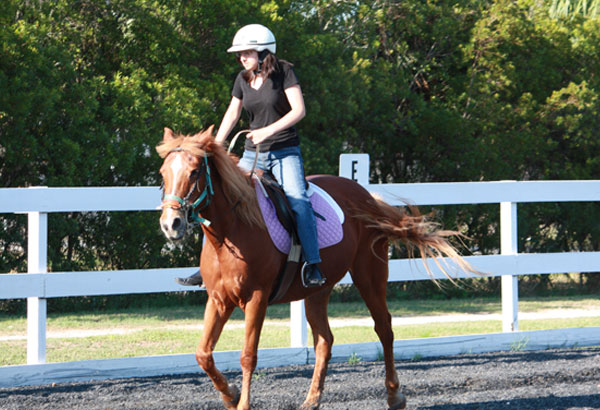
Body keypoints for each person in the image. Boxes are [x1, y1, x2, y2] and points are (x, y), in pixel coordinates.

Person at [177, 24, 325, 288]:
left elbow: (299, 111)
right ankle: (205, 267)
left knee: (298, 201)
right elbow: (232, 113)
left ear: (264, 52)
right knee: (218, 197)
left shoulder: (284, 72)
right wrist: (214, 146)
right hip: (252, 154)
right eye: (239, 54)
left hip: (284, 153)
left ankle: (312, 264)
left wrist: (267, 131)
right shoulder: (242, 79)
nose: (241, 58)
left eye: (246, 53)